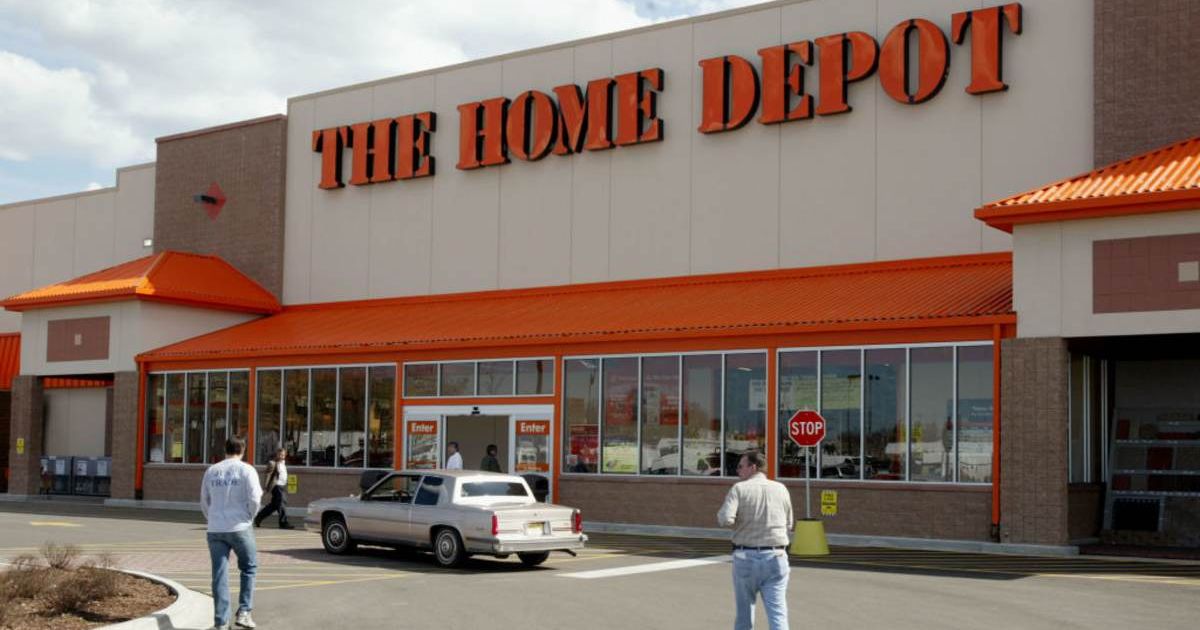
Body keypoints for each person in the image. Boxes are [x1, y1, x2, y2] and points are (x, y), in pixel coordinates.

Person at [717, 450, 794, 630]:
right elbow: (789, 523)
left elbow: (726, 518)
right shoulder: (781, 488)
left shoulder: (739, 489)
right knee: (778, 613)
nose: (738, 470)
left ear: (753, 467)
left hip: (746, 557)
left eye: (741, 466)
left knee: (744, 614)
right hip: (777, 557)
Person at [200, 437, 262, 630]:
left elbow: (204, 500)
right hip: (240, 526)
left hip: (216, 528)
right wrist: (250, 517)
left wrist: (212, 518)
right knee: (249, 567)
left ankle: (221, 621)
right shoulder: (247, 470)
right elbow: (255, 498)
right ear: (242, 450)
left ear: (224, 449)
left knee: (219, 575)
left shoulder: (212, 471)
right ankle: (244, 612)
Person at [254, 448, 294, 529]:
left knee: (274, 506)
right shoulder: (273, 463)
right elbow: (268, 476)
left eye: (283, 455)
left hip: (282, 486)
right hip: (276, 486)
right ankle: (283, 523)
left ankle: (258, 518)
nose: (281, 456)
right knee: (282, 503)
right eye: (280, 454)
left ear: (285, 455)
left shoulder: (283, 464)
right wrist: (265, 487)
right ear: (277, 454)